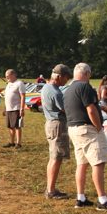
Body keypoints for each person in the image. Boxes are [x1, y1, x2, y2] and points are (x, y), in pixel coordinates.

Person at [63, 63, 107, 210]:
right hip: (88, 130)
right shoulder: (85, 87)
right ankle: (102, 200)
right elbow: (90, 110)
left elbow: (80, 106)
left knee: (81, 164)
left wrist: (101, 107)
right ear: (87, 74)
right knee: (98, 163)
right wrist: (98, 127)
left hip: (74, 129)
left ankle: (80, 197)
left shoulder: (68, 90)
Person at [42, 64, 73, 199]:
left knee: (53, 157)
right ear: (59, 77)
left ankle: (50, 187)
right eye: (66, 78)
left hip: (51, 124)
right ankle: (51, 190)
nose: (66, 81)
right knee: (56, 157)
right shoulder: (55, 92)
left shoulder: (46, 87)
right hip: (57, 125)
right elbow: (66, 109)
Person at [2, 69, 26, 148]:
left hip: (16, 108)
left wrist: (22, 109)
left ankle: (18, 143)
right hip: (9, 108)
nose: (6, 78)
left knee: (17, 126)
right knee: (10, 126)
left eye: (7, 76)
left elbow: (23, 96)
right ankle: (11, 142)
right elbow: (7, 97)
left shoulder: (19, 83)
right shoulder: (8, 84)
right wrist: (5, 108)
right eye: (6, 76)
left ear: (13, 75)